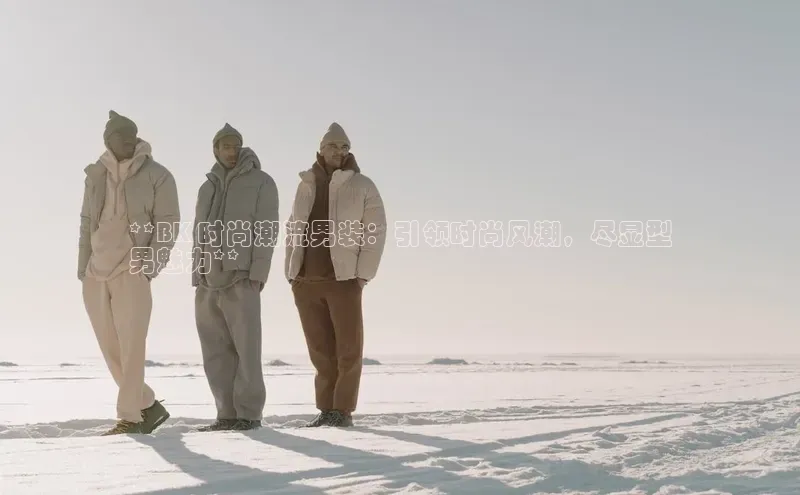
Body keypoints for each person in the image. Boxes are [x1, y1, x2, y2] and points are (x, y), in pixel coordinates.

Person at [78, 110, 179, 435]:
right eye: (122, 134)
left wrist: (149, 266)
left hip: (132, 269)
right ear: (108, 139)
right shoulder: (95, 175)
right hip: (96, 272)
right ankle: (147, 403)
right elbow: (86, 221)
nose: (129, 139)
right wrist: (82, 266)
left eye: (132, 134)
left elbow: (168, 222)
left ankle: (131, 418)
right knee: (111, 348)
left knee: (132, 347)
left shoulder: (158, 175)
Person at [286, 122, 387, 427]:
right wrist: (291, 272)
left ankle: (341, 411)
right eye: (333, 146)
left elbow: (375, 231)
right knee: (320, 351)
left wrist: (362, 275)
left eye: (345, 147)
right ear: (321, 149)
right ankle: (325, 409)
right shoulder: (306, 184)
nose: (339, 152)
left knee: (348, 349)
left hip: (343, 280)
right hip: (305, 281)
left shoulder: (363, 185)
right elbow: (292, 228)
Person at [192, 123, 279, 431]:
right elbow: (198, 231)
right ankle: (226, 415)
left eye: (235, 146)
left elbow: (267, 228)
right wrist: (197, 272)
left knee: (247, 350)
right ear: (215, 149)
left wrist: (258, 273)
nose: (231, 151)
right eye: (225, 146)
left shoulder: (261, 182)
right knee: (214, 352)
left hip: (241, 276)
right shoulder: (207, 186)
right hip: (207, 280)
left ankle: (249, 415)